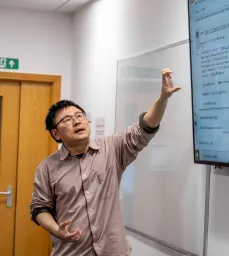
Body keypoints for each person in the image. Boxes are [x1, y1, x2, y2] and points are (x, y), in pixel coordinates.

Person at [30, 68, 180, 256]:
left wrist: (163, 99)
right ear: (56, 133)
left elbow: (144, 128)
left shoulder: (112, 149)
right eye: (67, 120)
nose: (77, 122)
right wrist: (56, 228)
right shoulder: (47, 168)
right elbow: (39, 208)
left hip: (113, 251)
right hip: (72, 252)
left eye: (79, 116)